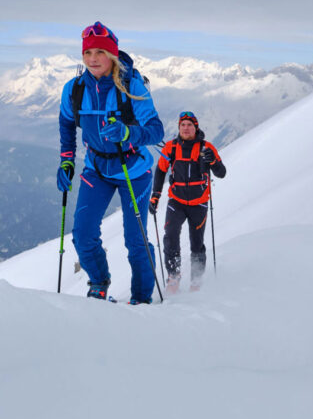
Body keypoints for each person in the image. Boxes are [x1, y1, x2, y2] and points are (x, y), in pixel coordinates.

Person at [56, 21, 164, 304]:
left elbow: (156, 131)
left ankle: (141, 299)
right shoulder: (75, 89)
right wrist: (67, 162)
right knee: (82, 233)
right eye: (88, 52)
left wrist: (128, 133)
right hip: (97, 168)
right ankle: (99, 284)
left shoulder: (131, 86)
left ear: (112, 55)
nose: (93, 59)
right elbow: (67, 124)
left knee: (135, 241)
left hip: (134, 169)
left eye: (100, 52)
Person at [149, 111, 226, 293]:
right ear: (179, 128)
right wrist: (155, 196)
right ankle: (173, 276)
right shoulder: (171, 148)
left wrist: (213, 161)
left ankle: (196, 280)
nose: (185, 128)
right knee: (170, 237)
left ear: (195, 127)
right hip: (176, 201)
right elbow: (160, 171)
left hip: (199, 203)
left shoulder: (207, 148)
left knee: (197, 243)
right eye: (182, 124)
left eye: (189, 125)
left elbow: (221, 173)